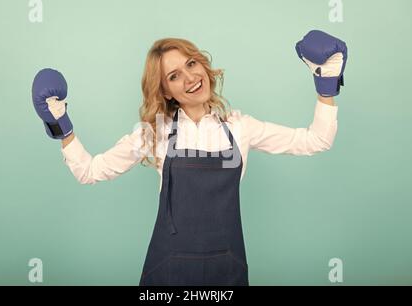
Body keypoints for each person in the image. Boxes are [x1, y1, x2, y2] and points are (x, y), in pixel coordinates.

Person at [31, 30, 347, 286]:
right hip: (167, 274)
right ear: (165, 91)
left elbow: (317, 140)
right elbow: (89, 170)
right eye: (174, 75)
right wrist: (62, 126)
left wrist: (326, 85)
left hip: (227, 271)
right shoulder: (153, 133)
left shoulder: (240, 127)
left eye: (192, 64)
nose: (190, 78)